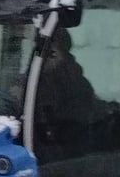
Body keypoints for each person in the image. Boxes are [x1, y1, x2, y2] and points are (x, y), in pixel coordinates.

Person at [35, 27, 100, 160]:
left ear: (63, 53)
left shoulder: (74, 83)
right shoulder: (31, 79)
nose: (45, 58)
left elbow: (71, 126)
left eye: (50, 53)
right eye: (40, 52)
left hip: (62, 157)